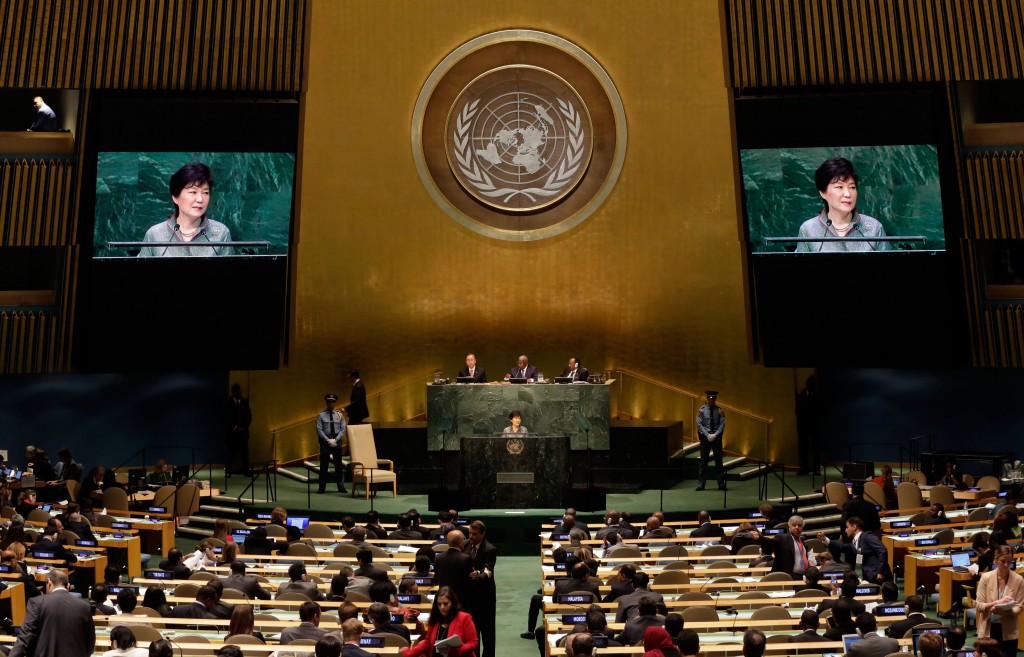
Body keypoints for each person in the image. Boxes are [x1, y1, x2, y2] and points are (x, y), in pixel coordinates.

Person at [795, 157, 890, 252]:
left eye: (852, 187)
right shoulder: (808, 229)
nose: (848, 194)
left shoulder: (874, 227)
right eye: (840, 187)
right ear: (823, 192)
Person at [139, 163, 234, 256]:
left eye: (205, 192)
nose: (200, 199)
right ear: (175, 197)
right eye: (193, 192)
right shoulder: (155, 234)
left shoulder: (220, 232)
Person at [9, 569, 95, 657]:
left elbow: (26, 636)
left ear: (49, 582)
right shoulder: (84, 606)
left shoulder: (37, 602)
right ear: (68, 586)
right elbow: (90, 643)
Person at [400, 586, 478, 657]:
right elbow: (427, 642)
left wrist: (456, 650)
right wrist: (410, 653)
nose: (442, 607)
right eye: (439, 604)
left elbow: (474, 643)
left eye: (445, 604)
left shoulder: (465, 618)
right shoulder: (435, 619)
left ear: (453, 603)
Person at [977, 544, 1024, 656]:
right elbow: (979, 606)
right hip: (988, 630)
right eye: (1003, 561)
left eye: (1009, 561)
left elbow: (1019, 607)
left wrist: (1004, 612)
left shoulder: (1019, 580)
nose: (1006, 565)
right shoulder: (985, 578)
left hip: (1009, 631)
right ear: (996, 560)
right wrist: (998, 603)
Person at [818, 516, 889, 583]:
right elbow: (841, 547)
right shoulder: (855, 541)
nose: (845, 530)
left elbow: (882, 550)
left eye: (847, 527)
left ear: (854, 527)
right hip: (869, 576)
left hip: (878, 575)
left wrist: (880, 571)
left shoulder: (867, 536)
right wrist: (825, 539)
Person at [316, 393, 348, 494]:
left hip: (337, 442)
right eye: (329, 401)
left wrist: (336, 439)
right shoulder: (321, 415)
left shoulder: (339, 415)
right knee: (323, 465)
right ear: (326, 402)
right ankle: (322, 487)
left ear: (335, 403)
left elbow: (343, 428)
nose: (330, 403)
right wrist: (327, 440)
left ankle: (340, 486)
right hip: (326, 442)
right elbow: (319, 429)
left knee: (338, 466)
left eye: (332, 401)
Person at [695, 390, 726, 491]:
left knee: (718, 461)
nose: (711, 400)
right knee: (703, 461)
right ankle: (701, 484)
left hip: (716, 437)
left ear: (716, 399)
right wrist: (707, 434)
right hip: (705, 437)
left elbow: (722, 424)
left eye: (713, 398)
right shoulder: (702, 410)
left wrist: (715, 434)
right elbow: (699, 424)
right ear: (707, 398)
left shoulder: (720, 410)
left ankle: (721, 484)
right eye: (710, 398)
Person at [795, 374, 821, 474]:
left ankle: (816, 469)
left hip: (814, 426)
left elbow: (820, 411)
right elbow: (797, 410)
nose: (810, 386)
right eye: (809, 384)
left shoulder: (818, 396)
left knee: (815, 448)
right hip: (803, 426)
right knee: (803, 448)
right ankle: (804, 468)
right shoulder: (801, 396)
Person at [225, 383, 253, 476]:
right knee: (230, 453)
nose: (240, 393)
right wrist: (235, 427)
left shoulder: (245, 402)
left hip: (243, 432)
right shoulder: (228, 403)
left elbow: (249, 417)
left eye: (240, 391)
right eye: (238, 392)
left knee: (244, 453)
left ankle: (246, 471)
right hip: (232, 433)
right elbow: (226, 417)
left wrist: (243, 427)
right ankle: (228, 471)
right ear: (233, 393)